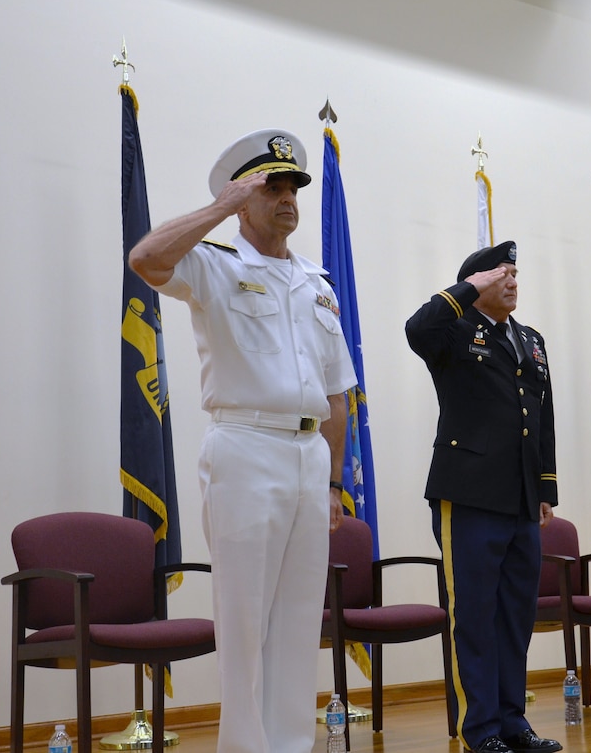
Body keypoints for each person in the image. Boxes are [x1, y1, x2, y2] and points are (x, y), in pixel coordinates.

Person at [128, 128, 358, 753]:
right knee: (244, 615)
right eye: (272, 187)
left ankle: (291, 744)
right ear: (243, 198)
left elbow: (337, 395)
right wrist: (218, 209)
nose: (287, 198)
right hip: (245, 448)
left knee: (298, 617)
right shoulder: (214, 266)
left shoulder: (317, 283)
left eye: (292, 189)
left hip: (310, 459)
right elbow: (146, 259)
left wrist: (335, 480)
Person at [405, 241, 562, 753]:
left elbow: (543, 417)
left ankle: (513, 721)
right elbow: (416, 328)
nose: (513, 281)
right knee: (472, 614)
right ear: (477, 284)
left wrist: (544, 487)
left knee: (516, 616)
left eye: (517, 273)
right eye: (503, 274)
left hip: (520, 498)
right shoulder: (452, 331)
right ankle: (481, 729)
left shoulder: (531, 339)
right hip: (467, 494)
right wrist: (471, 286)